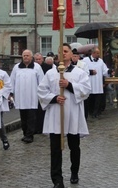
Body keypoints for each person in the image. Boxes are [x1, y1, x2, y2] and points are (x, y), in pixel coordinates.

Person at [38, 43, 91, 188]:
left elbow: (86, 90)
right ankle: (57, 179)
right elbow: (42, 91)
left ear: (70, 53)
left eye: (66, 51)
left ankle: (74, 172)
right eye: (61, 51)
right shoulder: (50, 73)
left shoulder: (79, 73)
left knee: (74, 147)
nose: (63, 54)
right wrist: (54, 98)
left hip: (72, 113)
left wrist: (69, 85)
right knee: (55, 149)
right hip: (56, 114)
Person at [11, 49, 44, 143]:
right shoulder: (16, 67)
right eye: (24, 55)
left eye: (27, 55)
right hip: (20, 96)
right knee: (23, 117)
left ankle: (30, 135)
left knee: (31, 117)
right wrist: (11, 93)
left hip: (32, 95)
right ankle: (25, 133)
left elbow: (41, 81)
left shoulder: (37, 67)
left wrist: (41, 94)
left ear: (31, 57)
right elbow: (12, 80)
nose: (25, 57)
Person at [82, 47, 112, 119]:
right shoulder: (85, 60)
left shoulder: (100, 61)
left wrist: (109, 71)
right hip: (89, 83)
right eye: (97, 53)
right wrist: (90, 72)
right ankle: (90, 112)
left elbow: (105, 70)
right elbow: (82, 71)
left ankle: (96, 112)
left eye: (99, 53)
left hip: (98, 84)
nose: (99, 54)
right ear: (93, 53)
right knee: (90, 99)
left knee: (98, 100)